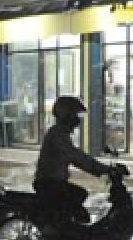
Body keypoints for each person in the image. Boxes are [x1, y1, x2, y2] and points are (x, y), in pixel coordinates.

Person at [34, 95, 115, 228]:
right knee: (78, 196)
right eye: (75, 115)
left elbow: (76, 156)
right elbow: (76, 156)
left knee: (78, 198)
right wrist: (103, 169)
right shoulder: (57, 134)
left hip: (54, 181)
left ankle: (65, 231)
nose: (78, 119)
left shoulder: (60, 133)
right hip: (48, 183)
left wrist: (102, 168)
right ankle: (61, 234)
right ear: (66, 115)